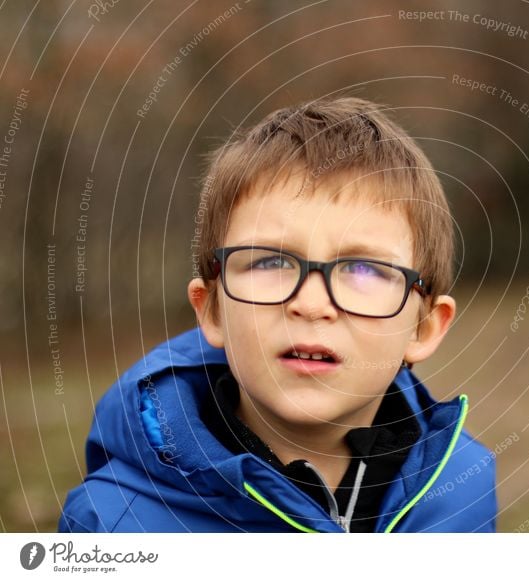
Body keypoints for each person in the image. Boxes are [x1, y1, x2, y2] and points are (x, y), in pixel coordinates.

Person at [59, 96, 497, 532]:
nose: (310, 304)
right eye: (269, 262)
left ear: (423, 327)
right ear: (211, 310)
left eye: (363, 269)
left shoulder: (462, 493)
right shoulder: (111, 523)